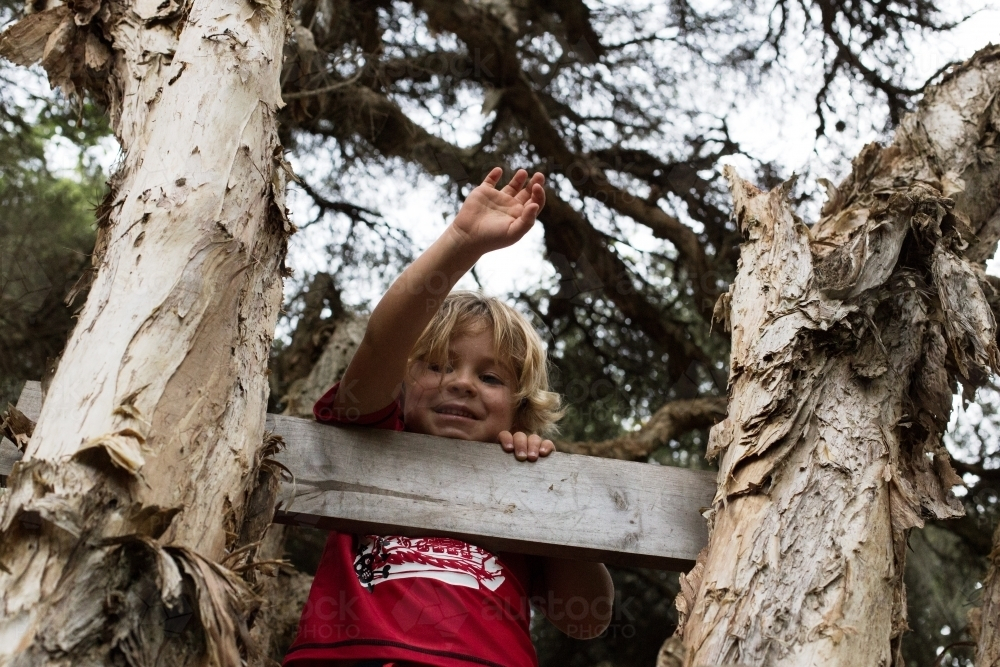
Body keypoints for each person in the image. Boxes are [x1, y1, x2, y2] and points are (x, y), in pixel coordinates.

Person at [282, 168, 614, 667]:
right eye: (437, 365)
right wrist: (461, 242)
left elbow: (586, 618)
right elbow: (381, 342)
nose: (461, 383)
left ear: (519, 410)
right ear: (401, 384)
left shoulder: (518, 483)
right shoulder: (372, 439)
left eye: (491, 378)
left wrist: (549, 496)